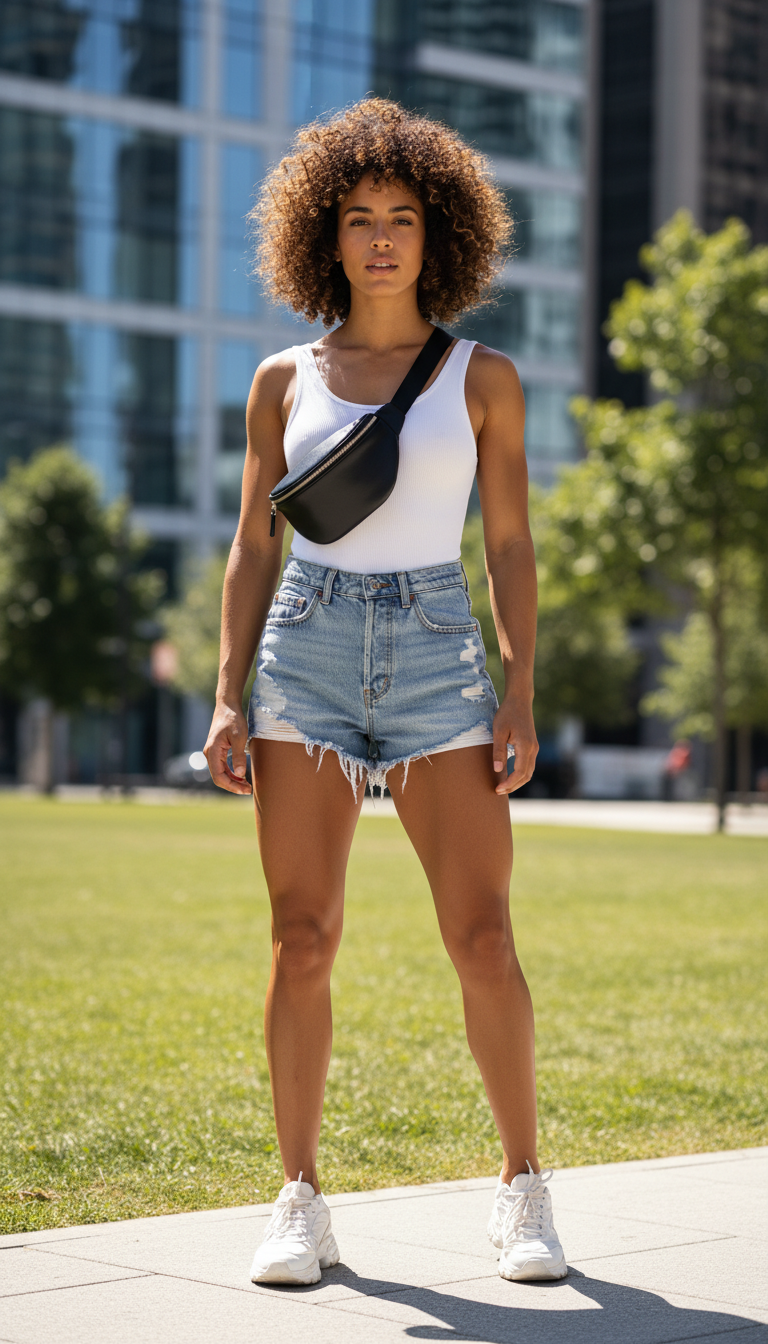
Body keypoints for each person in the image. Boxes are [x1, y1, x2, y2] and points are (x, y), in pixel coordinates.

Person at [204, 98, 566, 1287]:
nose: (379, 239)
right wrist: (224, 693)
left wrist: (521, 689)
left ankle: (523, 1191)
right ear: (325, 234)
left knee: (482, 935)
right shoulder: (280, 380)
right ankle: (299, 1198)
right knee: (300, 936)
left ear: (438, 231)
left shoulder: (485, 380)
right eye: (358, 218)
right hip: (301, 656)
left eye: (401, 217)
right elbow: (254, 548)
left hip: (436, 651)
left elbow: (509, 547)